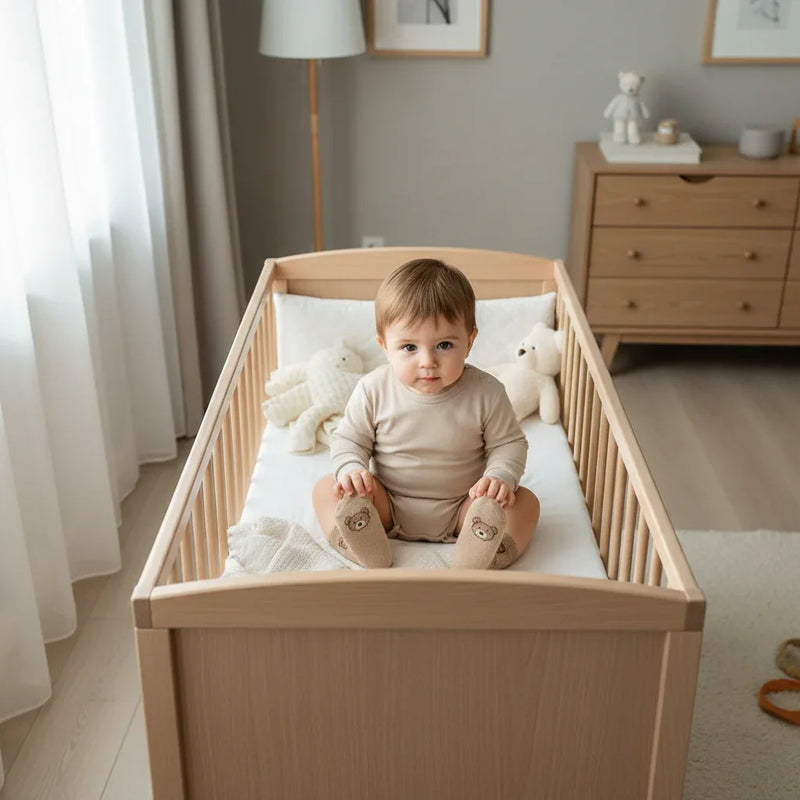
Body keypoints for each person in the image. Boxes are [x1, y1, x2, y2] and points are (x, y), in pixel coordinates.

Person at [312, 258, 540, 569]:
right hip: (384, 505)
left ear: (470, 341)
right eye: (409, 347)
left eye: (444, 344)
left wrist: (498, 478)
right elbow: (349, 440)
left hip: (466, 508)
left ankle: (484, 549)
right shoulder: (373, 388)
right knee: (327, 488)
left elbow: (509, 444)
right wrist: (352, 470)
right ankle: (356, 537)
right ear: (384, 346)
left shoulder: (487, 392)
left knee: (525, 503)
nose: (427, 361)